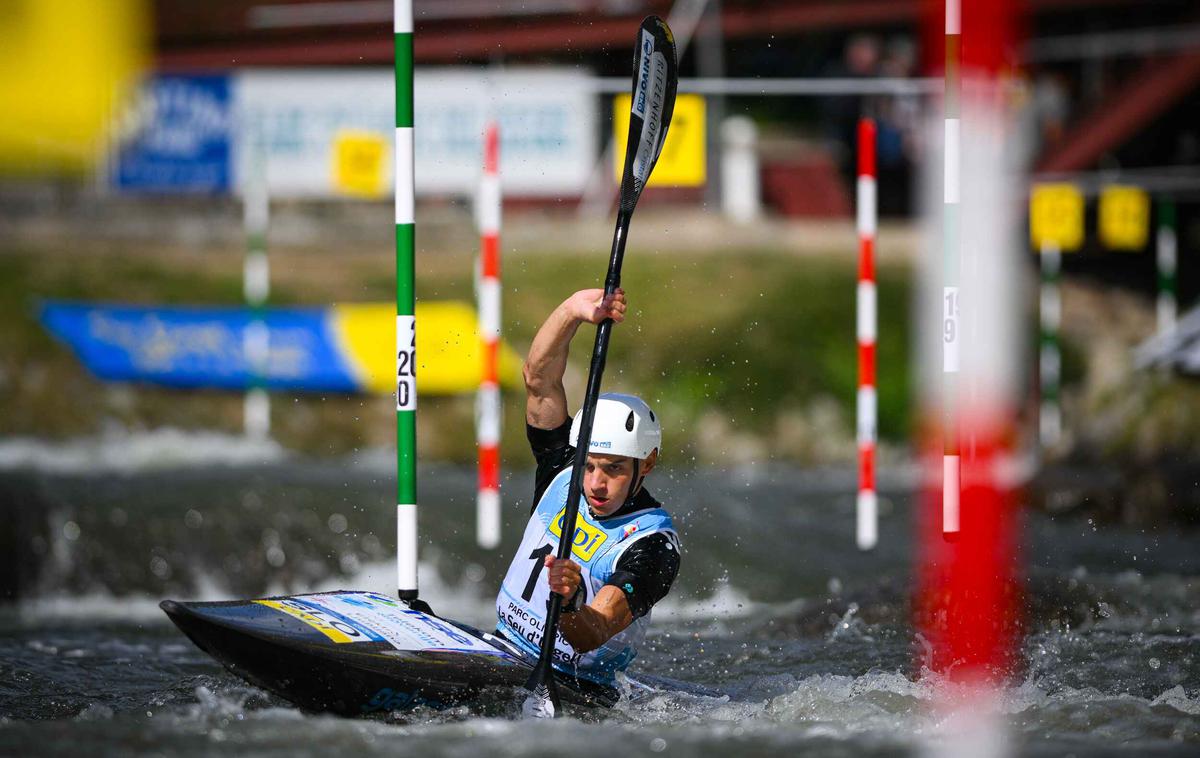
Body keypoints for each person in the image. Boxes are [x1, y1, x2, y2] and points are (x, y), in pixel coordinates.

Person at [495, 288, 681, 686]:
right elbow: (539, 380)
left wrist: (571, 601)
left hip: (574, 685)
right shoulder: (563, 467)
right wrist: (572, 311)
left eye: (613, 469)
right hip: (501, 650)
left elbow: (590, 633)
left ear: (646, 463)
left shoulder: (652, 546)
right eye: (589, 465)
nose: (595, 483)